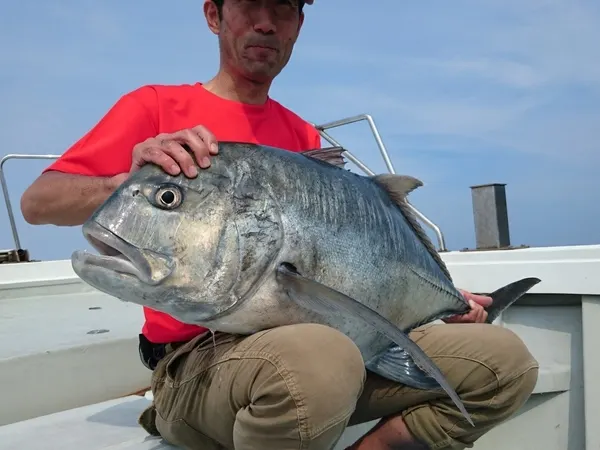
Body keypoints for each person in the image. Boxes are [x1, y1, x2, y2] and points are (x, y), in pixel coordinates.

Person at [20, 0, 539, 449]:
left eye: (284, 8)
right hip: (199, 363)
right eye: (249, 5)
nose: (266, 23)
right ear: (213, 15)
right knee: (317, 358)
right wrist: (128, 181)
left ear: (298, 25)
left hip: (324, 352)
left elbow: (358, 263)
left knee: (503, 362)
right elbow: (39, 203)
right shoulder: (156, 108)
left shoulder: (306, 140)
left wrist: (440, 300)